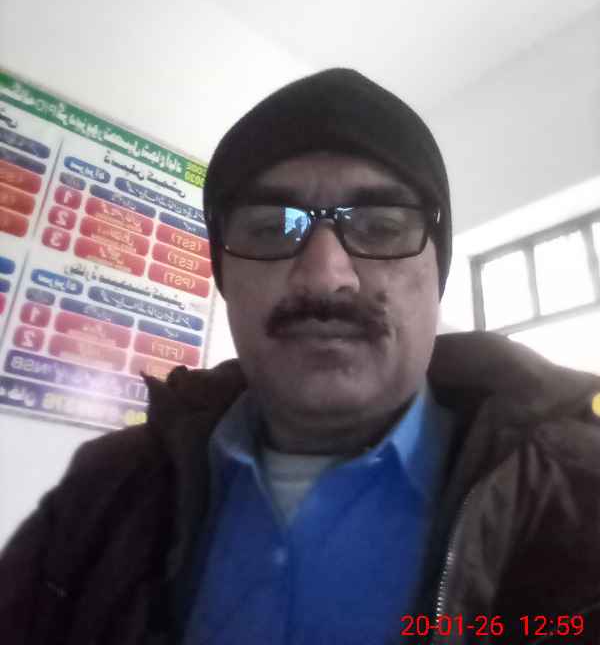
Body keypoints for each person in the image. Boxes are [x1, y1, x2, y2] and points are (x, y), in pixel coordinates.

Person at [2, 68, 600, 645]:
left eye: (381, 227)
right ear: (224, 274)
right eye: (270, 228)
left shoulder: (581, 494)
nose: (325, 275)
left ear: (435, 270)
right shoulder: (104, 490)